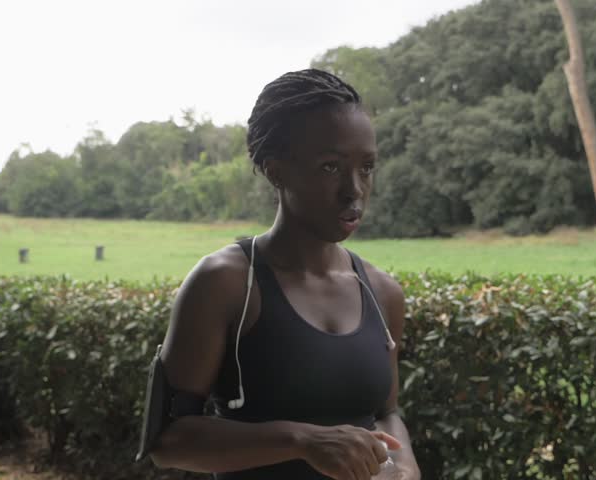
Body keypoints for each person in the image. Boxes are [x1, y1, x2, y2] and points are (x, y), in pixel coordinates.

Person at [149, 69, 422, 480]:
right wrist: (302, 441)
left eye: (366, 168)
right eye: (330, 167)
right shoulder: (225, 283)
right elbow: (168, 442)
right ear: (276, 171)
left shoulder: (383, 294)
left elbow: (386, 414)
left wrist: (405, 468)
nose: (354, 191)